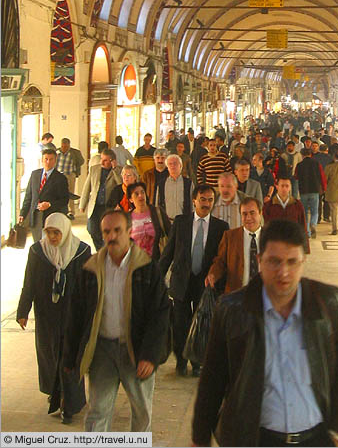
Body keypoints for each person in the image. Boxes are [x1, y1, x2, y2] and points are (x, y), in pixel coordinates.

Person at [192, 219, 338, 447]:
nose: (284, 272)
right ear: (259, 260)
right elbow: (213, 376)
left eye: (292, 262)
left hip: (316, 439)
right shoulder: (233, 310)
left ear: (303, 261)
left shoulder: (331, 304)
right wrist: (200, 438)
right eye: (274, 261)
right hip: (255, 438)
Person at [63, 209, 171, 431]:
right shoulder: (90, 270)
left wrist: (150, 355)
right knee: (97, 412)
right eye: (106, 232)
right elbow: (76, 314)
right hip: (102, 350)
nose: (111, 236)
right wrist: (70, 357)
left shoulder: (147, 269)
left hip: (136, 350)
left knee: (141, 413)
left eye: (117, 230)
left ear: (129, 231)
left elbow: (159, 315)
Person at [17, 213, 91, 424]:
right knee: (50, 354)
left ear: (65, 231)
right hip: (47, 315)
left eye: (56, 232)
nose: (52, 237)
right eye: (48, 232)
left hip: (73, 314)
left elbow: (89, 284)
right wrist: (23, 311)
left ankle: (69, 403)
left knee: (70, 355)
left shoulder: (81, 252)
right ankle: (56, 393)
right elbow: (29, 282)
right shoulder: (38, 252)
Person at [159, 185, 229, 377]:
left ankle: (197, 362)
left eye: (210, 200)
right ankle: (181, 361)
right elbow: (168, 253)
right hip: (181, 281)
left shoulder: (221, 227)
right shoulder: (181, 223)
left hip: (204, 284)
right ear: (194, 200)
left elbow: (222, 259)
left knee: (201, 323)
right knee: (180, 323)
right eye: (203, 199)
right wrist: (157, 279)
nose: (206, 203)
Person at [206, 197, 263, 294]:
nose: (248, 218)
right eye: (244, 214)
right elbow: (220, 261)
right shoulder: (230, 237)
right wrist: (213, 274)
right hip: (236, 295)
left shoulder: (272, 237)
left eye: (252, 213)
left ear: (260, 213)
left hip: (264, 296)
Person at [19, 148, 69, 242]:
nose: (48, 162)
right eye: (46, 159)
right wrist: (23, 213)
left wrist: (50, 204)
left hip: (51, 217)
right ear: (42, 160)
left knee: (49, 245)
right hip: (35, 217)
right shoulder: (35, 174)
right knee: (37, 244)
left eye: (51, 159)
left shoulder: (60, 178)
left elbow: (64, 200)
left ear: (55, 160)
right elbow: (29, 196)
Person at [79, 149, 122, 250]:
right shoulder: (94, 169)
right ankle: (101, 249)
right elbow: (87, 187)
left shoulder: (119, 170)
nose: (102, 162)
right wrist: (82, 204)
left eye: (105, 160)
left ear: (112, 161)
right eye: (101, 159)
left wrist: (115, 170)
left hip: (108, 206)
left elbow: (121, 185)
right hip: (95, 205)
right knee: (92, 229)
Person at [263, 176, 309, 253]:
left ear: (290, 187)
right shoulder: (268, 206)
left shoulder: (297, 205)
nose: (284, 189)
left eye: (287, 186)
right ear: (277, 186)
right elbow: (265, 228)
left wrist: (305, 248)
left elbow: (302, 226)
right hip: (274, 246)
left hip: (293, 245)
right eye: (282, 186)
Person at [128, 182, 170, 261]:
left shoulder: (157, 212)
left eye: (142, 192)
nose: (140, 196)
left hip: (157, 261)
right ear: (131, 199)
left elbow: (170, 234)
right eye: (136, 194)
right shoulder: (127, 218)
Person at [294, 148, 324, 239]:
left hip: (303, 191)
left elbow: (296, 176)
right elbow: (322, 176)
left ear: (302, 155)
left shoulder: (299, 165)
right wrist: (323, 187)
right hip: (315, 190)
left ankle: (307, 232)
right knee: (315, 211)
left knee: (305, 212)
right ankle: (313, 224)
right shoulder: (316, 164)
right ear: (311, 154)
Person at [56, 138, 84, 220]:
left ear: (69, 145)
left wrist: (75, 170)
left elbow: (81, 161)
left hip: (70, 175)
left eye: (66, 146)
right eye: (62, 146)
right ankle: (59, 210)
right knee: (58, 193)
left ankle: (71, 212)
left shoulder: (74, 152)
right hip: (59, 175)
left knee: (70, 193)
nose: (64, 148)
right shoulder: (57, 152)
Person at [163, 154, 193, 220]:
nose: (172, 166)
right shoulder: (162, 184)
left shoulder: (188, 183)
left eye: (175, 163)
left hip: (184, 220)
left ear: (181, 166)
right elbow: (157, 204)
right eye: (170, 164)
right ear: (167, 167)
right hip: (167, 221)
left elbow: (193, 203)